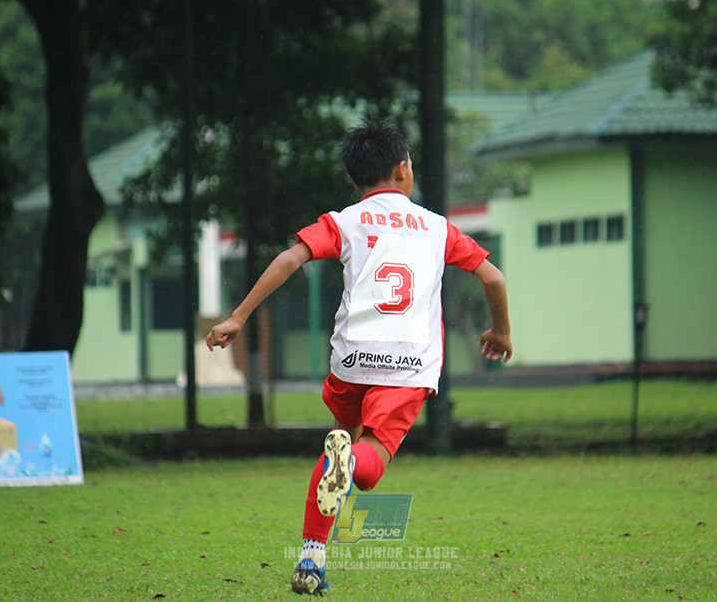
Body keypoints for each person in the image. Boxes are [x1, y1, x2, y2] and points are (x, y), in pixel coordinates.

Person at [205, 119, 512, 595]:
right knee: (365, 465)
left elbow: (290, 258)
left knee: (341, 440)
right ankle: (346, 465)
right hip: (407, 366)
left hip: (351, 362)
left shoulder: (344, 220)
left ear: (354, 180)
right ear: (403, 170)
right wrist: (501, 330)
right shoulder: (437, 228)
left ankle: (311, 560)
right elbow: (493, 279)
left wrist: (238, 318)